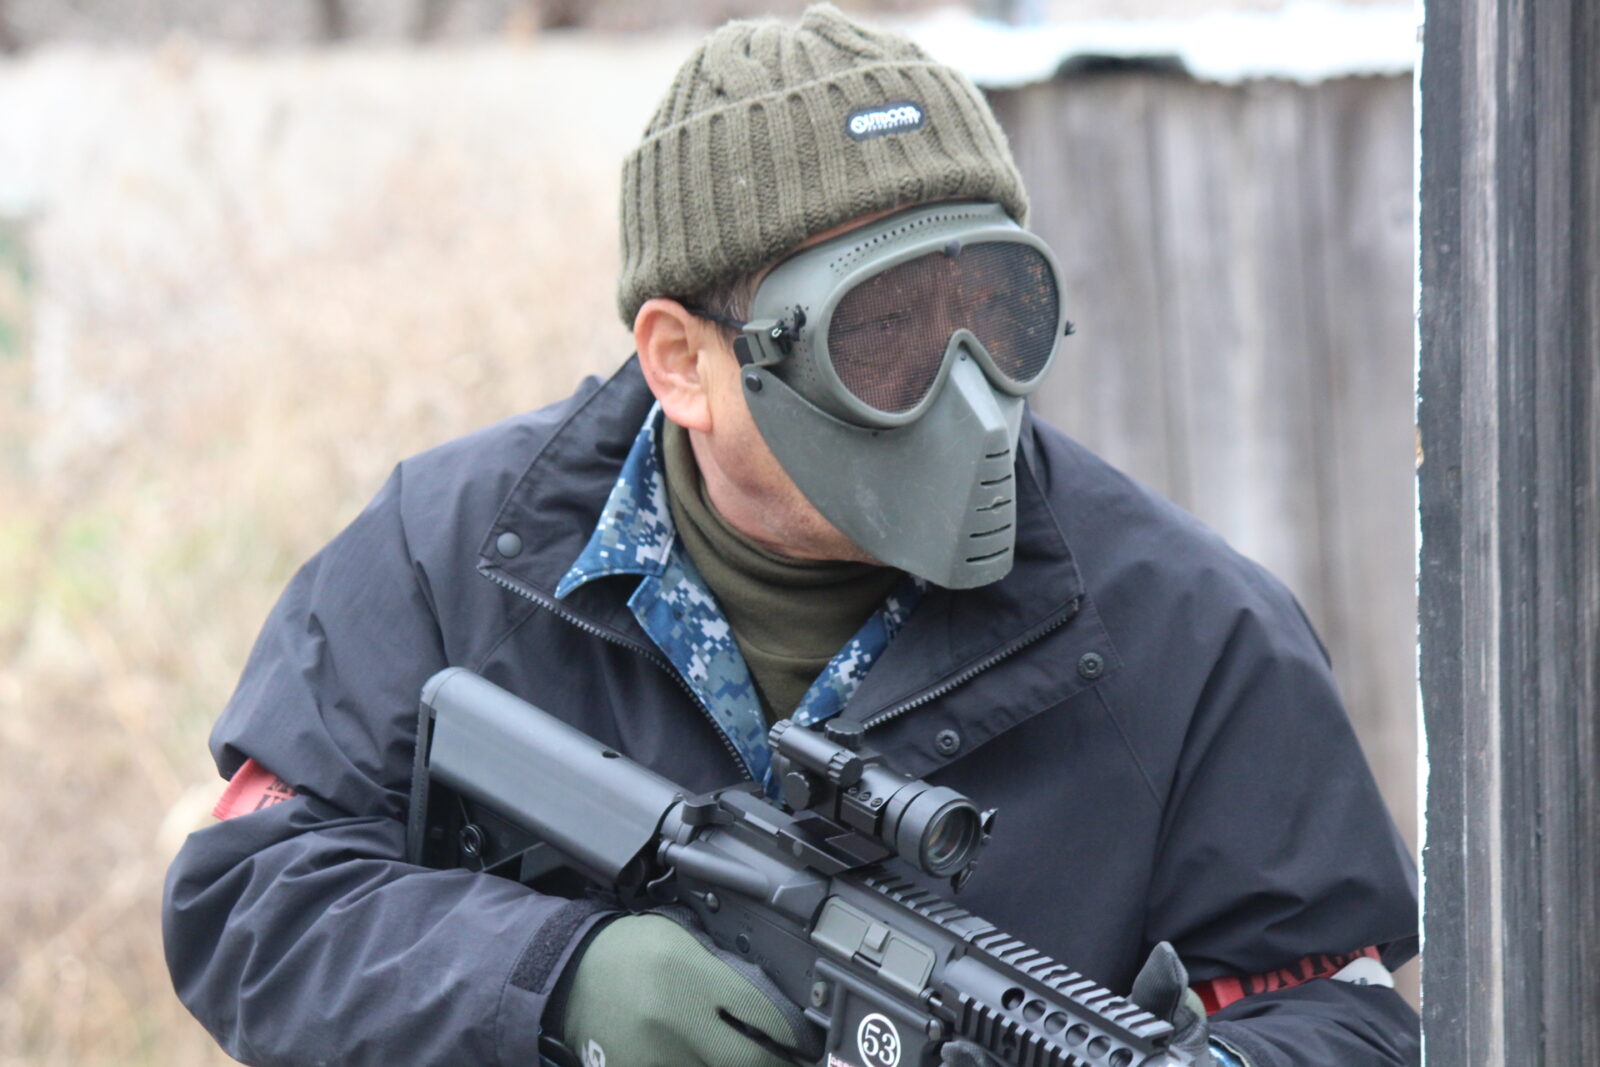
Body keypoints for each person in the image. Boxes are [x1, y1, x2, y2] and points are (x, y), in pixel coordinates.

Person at [163, 6, 1420, 1066]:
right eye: (878, 330)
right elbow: (250, 891)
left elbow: (1340, 1008)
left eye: (991, 311)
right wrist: (551, 981)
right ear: (682, 362)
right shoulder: (448, 552)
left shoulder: (1193, 628)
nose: (962, 390)